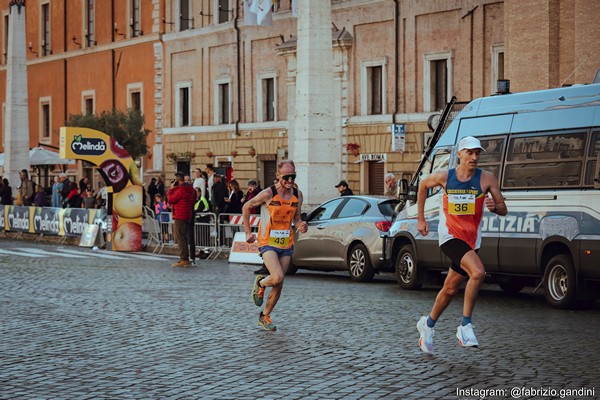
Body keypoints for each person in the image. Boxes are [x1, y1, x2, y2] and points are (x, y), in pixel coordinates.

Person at [416, 136, 507, 353]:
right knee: (478, 273)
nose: (474, 157)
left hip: (471, 240)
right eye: (470, 153)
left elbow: (503, 208)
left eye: (478, 153)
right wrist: (421, 219)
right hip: (450, 237)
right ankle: (465, 326)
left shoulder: (487, 179)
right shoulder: (445, 177)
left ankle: (427, 325)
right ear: (460, 154)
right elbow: (422, 185)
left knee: (449, 288)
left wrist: (495, 207)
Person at [243, 160, 308, 331]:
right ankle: (261, 283)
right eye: (286, 177)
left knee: (279, 283)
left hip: (286, 242)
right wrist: (248, 232)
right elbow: (246, 206)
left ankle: (265, 316)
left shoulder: (297, 195)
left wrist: (302, 225)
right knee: (277, 277)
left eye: (293, 176)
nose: (290, 180)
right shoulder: (268, 194)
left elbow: (297, 218)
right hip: (267, 242)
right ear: (278, 176)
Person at [167, 172, 196, 267]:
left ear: (177, 180)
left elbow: (171, 199)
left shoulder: (180, 190)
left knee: (180, 237)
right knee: (185, 237)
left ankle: (184, 259)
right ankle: (187, 258)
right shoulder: (190, 189)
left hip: (180, 215)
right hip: (188, 214)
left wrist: (171, 189)